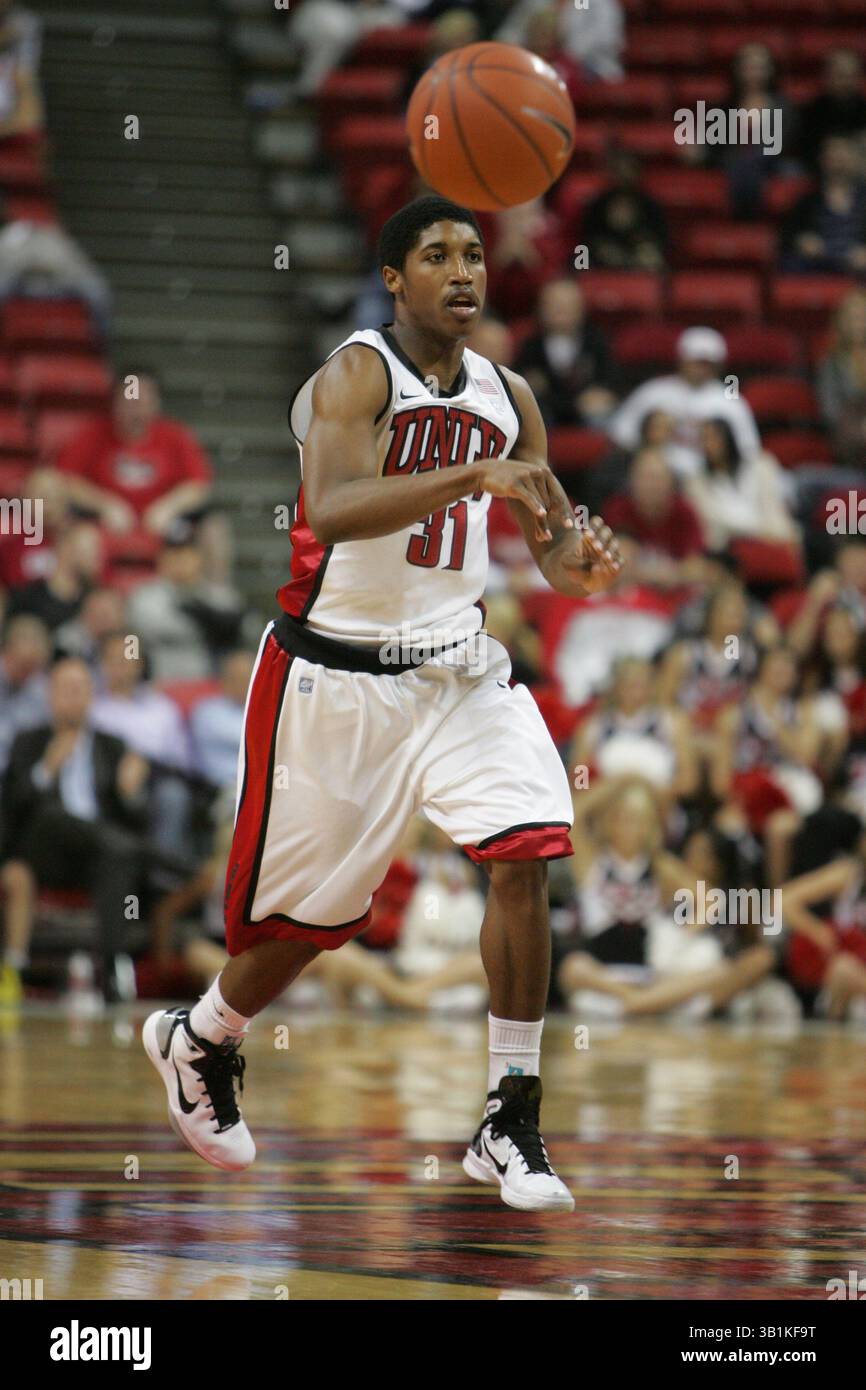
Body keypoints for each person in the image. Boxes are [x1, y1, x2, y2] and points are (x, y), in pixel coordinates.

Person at [142, 194, 623, 1213]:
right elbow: (331, 506)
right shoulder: (358, 372)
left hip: (458, 672)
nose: (463, 271)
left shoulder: (512, 397)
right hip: (335, 679)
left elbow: (552, 548)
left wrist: (579, 569)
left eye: (475, 254)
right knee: (308, 926)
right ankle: (202, 1037)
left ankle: (509, 1113)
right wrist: (470, 475)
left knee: (527, 851)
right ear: (394, 280)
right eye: (436, 255)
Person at [0, 657, 150, 1005]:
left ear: (91, 696)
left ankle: (113, 969)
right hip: (41, 852)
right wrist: (45, 771)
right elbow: (12, 810)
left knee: (117, 856)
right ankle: (164, 862)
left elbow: (135, 816)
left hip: (95, 856)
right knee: (54, 816)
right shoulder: (28, 741)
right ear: (50, 696)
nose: (73, 697)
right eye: (65, 690)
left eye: (80, 690)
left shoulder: (112, 746)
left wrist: (133, 791)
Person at [53, 367, 229, 577]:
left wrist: (168, 507)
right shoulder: (92, 434)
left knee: (214, 529)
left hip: (163, 527)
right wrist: (104, 504)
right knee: (79, 537)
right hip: (104, 526)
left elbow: (199, 485)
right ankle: (89, 602)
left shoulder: (176, 436)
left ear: (157, 403)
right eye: (129, 401)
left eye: (143, 401)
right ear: (115, 403)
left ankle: (216, 600)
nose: (136, 409)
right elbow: (64, 480)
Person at [608, 327, 762, 476]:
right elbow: (622, 434)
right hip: (660, 477)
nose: (701, 368)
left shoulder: (731, 400)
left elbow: (748, 449)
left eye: (707, 362)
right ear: (681, 359)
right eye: (696, 361)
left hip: (709, 479)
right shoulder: (654, 391)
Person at [126, 522, 250, 681]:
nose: (180, 560)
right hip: (159, 684)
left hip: (211, 685)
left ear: (199, 558)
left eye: (187, 553)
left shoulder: (221, 595)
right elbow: (151, 627)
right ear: (162, 559)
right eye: (173, 554)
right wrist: (209, 623)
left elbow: (244, 629)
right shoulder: (144, 596)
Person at [684, 418, 799, 552]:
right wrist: (758, 534)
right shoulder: (697, 482)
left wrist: (777, 535)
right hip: (730, 545)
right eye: (704, 439)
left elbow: (774, 508)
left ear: (728, 438)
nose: (709, 444)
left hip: (773, 536)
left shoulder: (762, 465)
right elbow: (715, 522)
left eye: (714, 438)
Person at [514, 278, 616, 428]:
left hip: (589, 415)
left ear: (581, 309)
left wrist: (605, 394)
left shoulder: (596, 342)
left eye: (567, 305)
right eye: (554, 305)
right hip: (545, 415)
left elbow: (610, 379)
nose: (560, 311)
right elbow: (525, 386)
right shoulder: (530, 346)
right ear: (540, 309)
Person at [781, 136, 866, 276]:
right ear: (823, 160)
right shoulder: (807, 200)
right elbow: (787, 235)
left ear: (855, 160)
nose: (839, 164)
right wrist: (802, 241)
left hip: (857, 266)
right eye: (834, 158)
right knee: (790, 265)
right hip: (817, 262)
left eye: (843, 158)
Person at [4, 519, 103, 633]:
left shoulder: (93, 601)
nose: (98, 555)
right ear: (65, 547)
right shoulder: (25, 599)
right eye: (91, 547)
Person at [582, 149, 668, 271]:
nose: (624, 176)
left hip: (639, 258)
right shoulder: (599, 204)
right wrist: (603, 249)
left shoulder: (650, 205)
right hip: (602, 257)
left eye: (629, 169)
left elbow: (660, 239)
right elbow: (587, 238)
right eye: (619, 170)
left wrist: (643, 245)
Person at [817, 286, 866, 466]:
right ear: (841, 322)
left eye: (862, 317)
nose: (858, 323)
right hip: (852, 441)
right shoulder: (832, 364)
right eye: (852, 317)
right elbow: (830, 410)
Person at [798, 49, 866, 173]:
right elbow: (805, 153)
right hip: (820, 173)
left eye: (851, 76)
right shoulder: (811, 112)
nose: (846, 82)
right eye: (840, 75)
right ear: (827, 76)